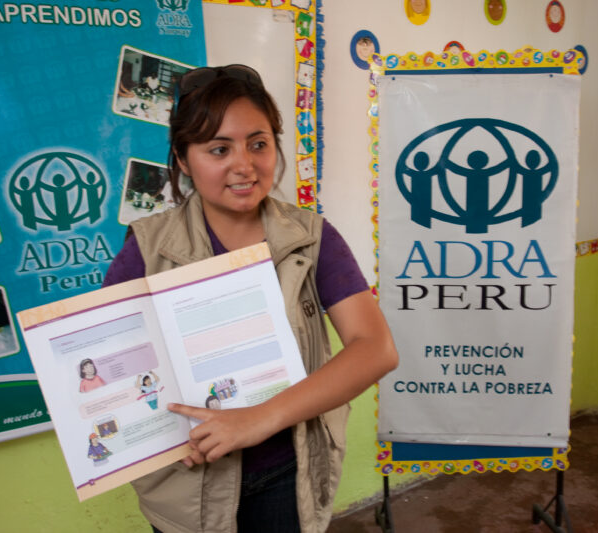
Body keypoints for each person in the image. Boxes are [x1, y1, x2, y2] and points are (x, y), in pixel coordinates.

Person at [103, 65, 399, 533]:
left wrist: (260, 419)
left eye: (258, 144)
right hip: (189, 484)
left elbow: (375, 348)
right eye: (218, 149)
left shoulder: (311, 238)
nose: (244, 165)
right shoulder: (147, 247)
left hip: (288, 476)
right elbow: (109, 367)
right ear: (182, 159)